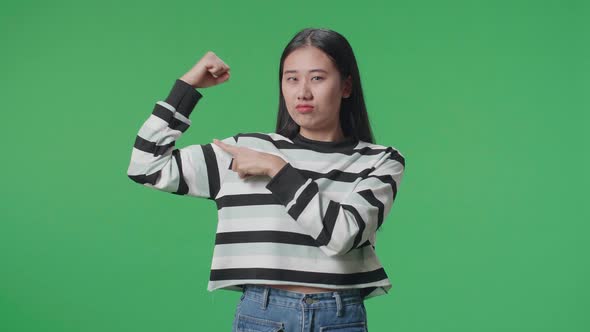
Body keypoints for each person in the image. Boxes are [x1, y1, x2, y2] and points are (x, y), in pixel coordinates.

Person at [127, 27, 406, 332]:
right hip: (262, 315)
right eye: (291, 78)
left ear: (346, 86)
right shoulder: (247, 151)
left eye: (317, 78)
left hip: (339, 317)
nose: (303, 92)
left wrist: (278, 169)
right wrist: (187, 87)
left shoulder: (380, 161)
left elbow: (341, 236)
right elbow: (146, 166)